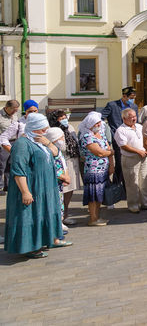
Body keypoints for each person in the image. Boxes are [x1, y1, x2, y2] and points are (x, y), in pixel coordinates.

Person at [4, 113, 70, 258]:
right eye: (42, 129)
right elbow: (18, 170)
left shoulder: (40, 142)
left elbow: (56, 153)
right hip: (32, 187)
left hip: (46, 187)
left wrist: (48, 142)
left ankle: (51, 239)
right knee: (30, 215)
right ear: (34, 128)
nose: (45, 132)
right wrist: (25, 192)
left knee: (46, 212)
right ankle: (30, 247)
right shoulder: (22, 144)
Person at [78, 111, 114, 226]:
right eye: (95, 123)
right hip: (93, 170)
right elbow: (99, 153)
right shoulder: (87, 136)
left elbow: (107, 149)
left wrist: (111, 162)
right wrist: (110, 152)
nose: (98, 125)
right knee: (93, 194)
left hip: (103, 169)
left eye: (99, 123)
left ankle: (98, 216)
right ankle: (93, 218)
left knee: (99, 193)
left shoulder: (101, 134)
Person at [47, 109, 80, 225]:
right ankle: (59, 218)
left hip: (72, 161)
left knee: (70, 189)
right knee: (61, 190)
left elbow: (75, 142)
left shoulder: (70, 128)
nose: (64, 120)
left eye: (65, 117)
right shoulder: (52, 131)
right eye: (61, 118)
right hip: (61, 162)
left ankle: (65, 214)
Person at [101, 86, 138, 184]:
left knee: (130, 161)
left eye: (134, 98)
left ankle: (128, 184)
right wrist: (108, 132)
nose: (132, 100)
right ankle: (117, 185)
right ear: (124, 96)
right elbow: (101, 118)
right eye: (130, 98)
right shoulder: (112, 105)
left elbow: (136, 121)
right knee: (120, 162)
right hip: (117, 138)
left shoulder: (134, 107)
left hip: (131, 137)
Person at [114, 108, 147, 214]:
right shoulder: (121, 130)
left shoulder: (139, 126)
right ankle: (133, 205)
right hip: (130, 159)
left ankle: (145, 203)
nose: (134, 119)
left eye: (134, 116)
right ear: (124, 118)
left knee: (144, 180)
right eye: (131, 117)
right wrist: (138, 151)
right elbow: (124, 146)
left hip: (144, 157)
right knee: (132, 183)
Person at [0, 99, 20, 193]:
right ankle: (0, 186)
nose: (15, 111)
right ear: (7, 108)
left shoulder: (15, 115)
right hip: (3, 144)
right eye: (13, 109)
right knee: (1, 165)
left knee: (10, 164)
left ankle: (7, 186)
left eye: (16, 110)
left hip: (14, 142)